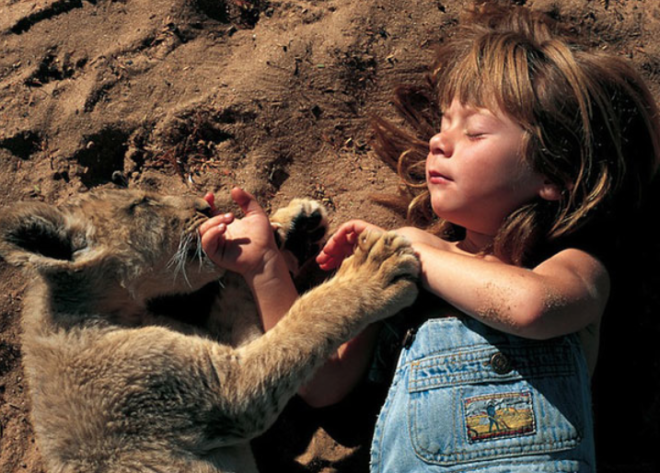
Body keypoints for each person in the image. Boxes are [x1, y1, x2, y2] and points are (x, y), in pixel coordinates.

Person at [200, 2, 660, 472]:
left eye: (475, 132)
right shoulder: (400, 268)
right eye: (443, 124)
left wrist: (413, 248)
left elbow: (531, 307)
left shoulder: (574, 266)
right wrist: (266, 269)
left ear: (554, 172)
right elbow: (322, 383)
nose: (440, 142)